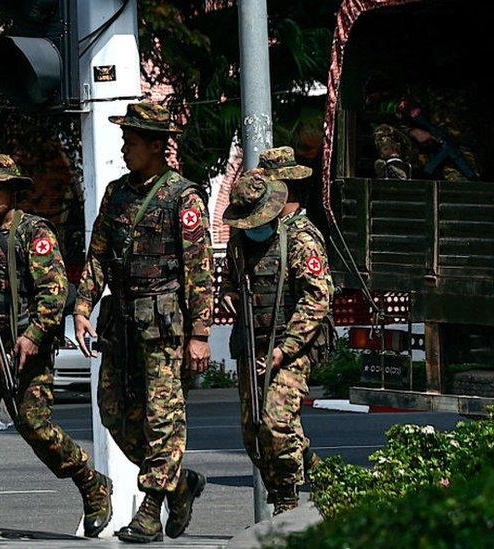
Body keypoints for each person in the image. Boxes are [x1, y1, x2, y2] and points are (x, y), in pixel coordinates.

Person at [0, 155, 112, 537]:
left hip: (24, 346)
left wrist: (33, 335)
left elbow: (55, 291)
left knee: (35, 426)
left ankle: (91, 483)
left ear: (13, 191)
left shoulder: (33, 232)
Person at [72, 103, 214, 543]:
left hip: (165, 327)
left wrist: (200, 334)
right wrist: (81, 308)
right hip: (121, 325)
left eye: (132, 142)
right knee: (113, 411)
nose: (124, 149)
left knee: (163, 418)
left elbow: (200, 269)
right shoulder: (116, 194)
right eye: (124, 140)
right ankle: (179, 482)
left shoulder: (183, 197)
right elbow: (97, 256)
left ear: (157, 146)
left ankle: (150, 509)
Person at [220, 146, 334, 515]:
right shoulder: (245, 233)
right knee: (254, 431)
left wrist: (284, 350)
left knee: (275, 424)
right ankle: (320, 473)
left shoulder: (301, 238)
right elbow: (230, 275)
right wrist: (228, 293)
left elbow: (317, 299)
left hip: (290, 344)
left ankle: (285, 503)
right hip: (251, 340)